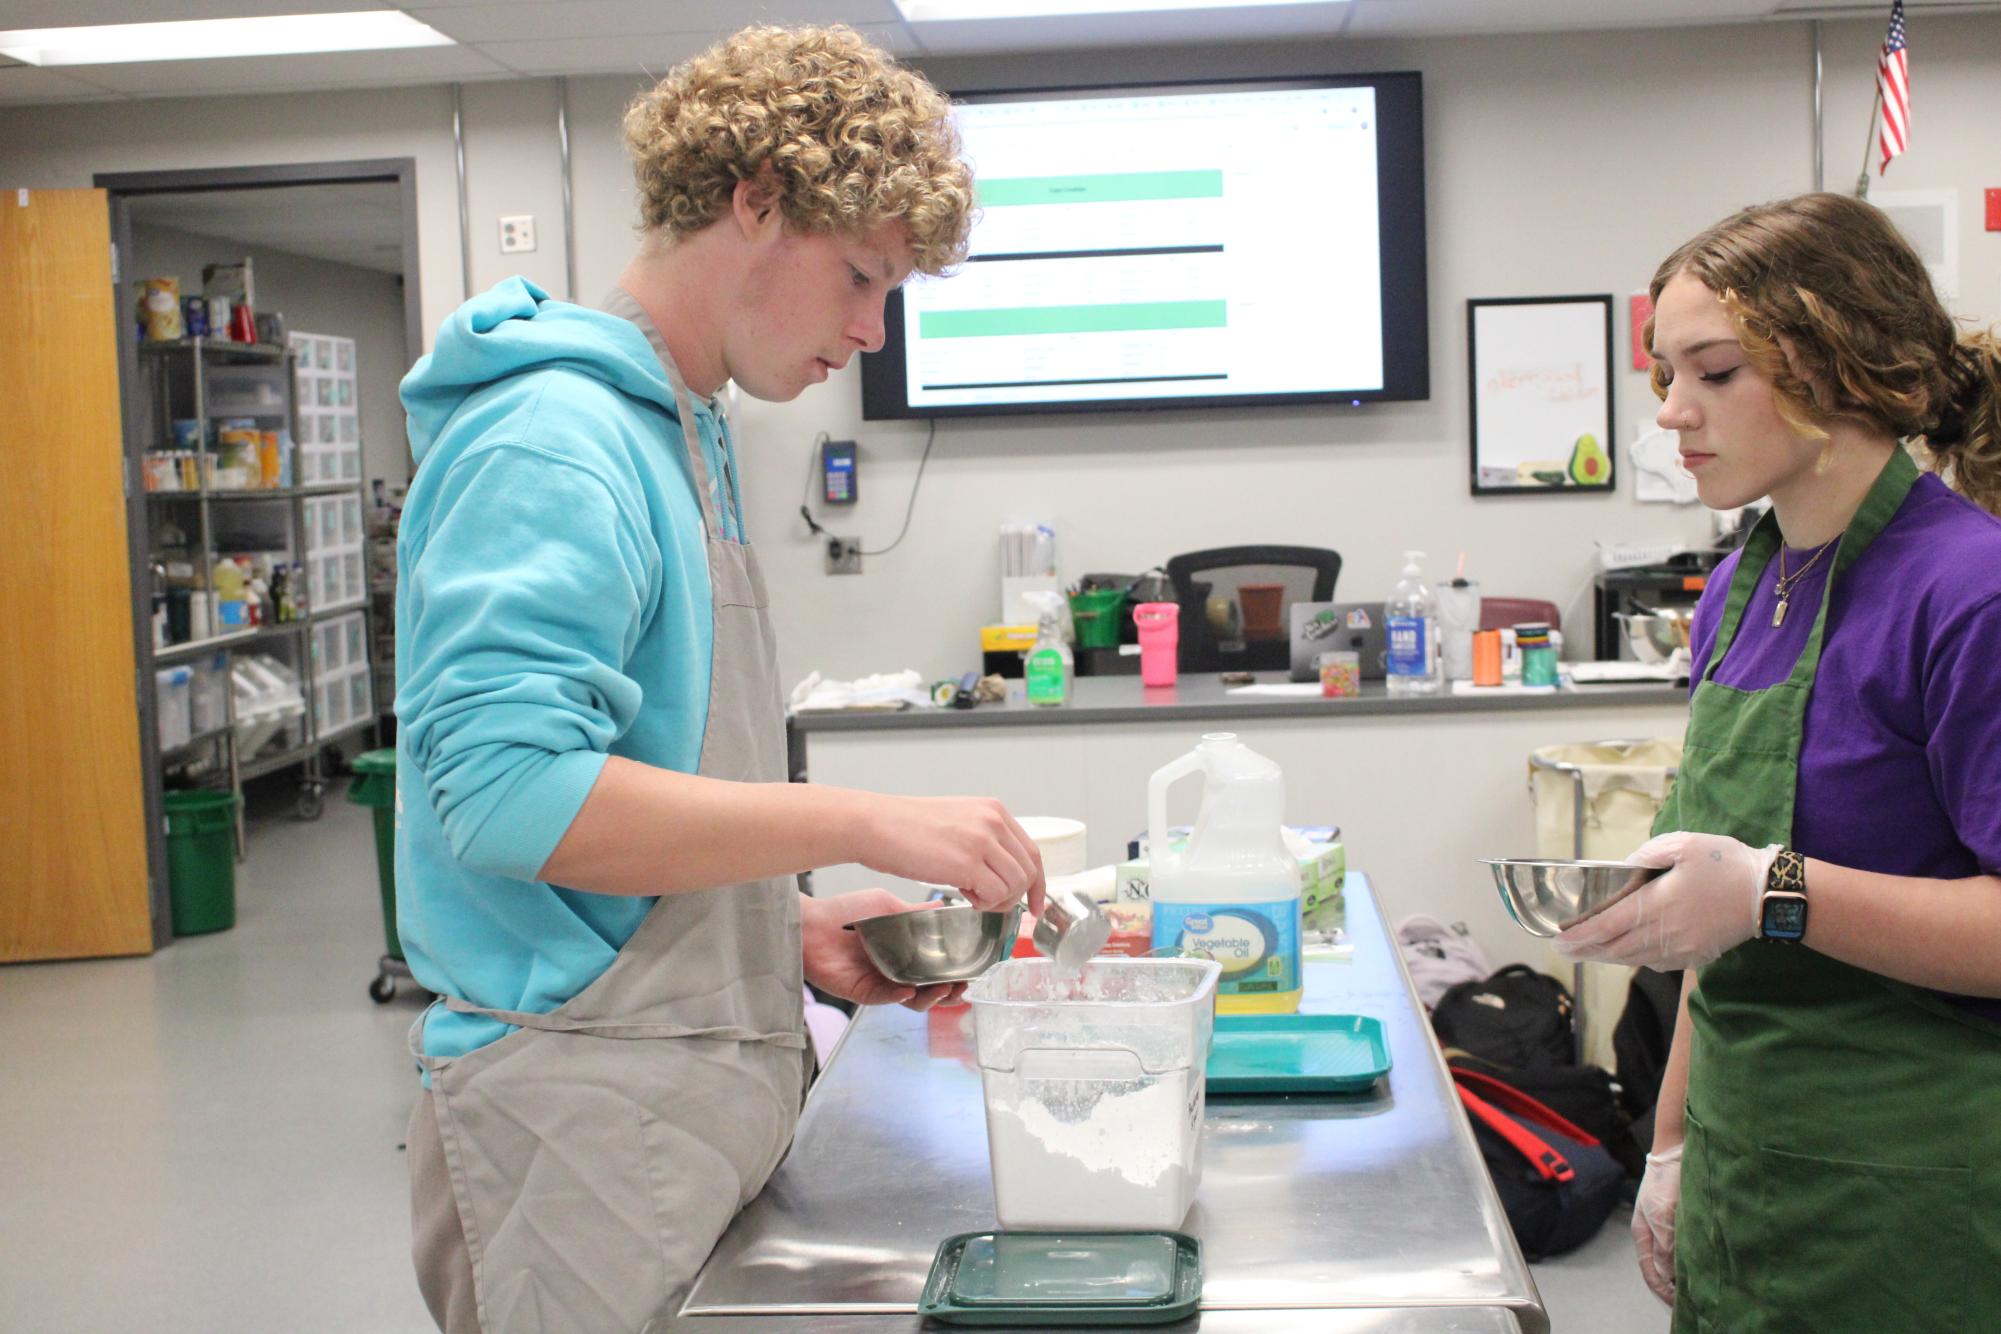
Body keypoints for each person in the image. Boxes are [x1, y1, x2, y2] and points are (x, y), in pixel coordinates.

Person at [392, 27, 1046, 1333]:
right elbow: (508, 797)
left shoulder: (683, 434)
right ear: (755, 200)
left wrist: (778, 927)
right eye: (860, 275)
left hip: (680, 1092)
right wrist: (857, 814)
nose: (869, 330)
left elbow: (643, 781)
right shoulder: (556, 441)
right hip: (575, 1119)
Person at [1556, 192, 2001, 1331]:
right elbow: (1715, 929)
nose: (1671, 412)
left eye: (1713, 373)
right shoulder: (1745, 589)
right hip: (1747, 1176)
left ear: (1836, 365)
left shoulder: (1967, 592)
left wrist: (1772, 891)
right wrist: (1667, 1144)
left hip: (1911, 1199)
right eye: (1663, 377)